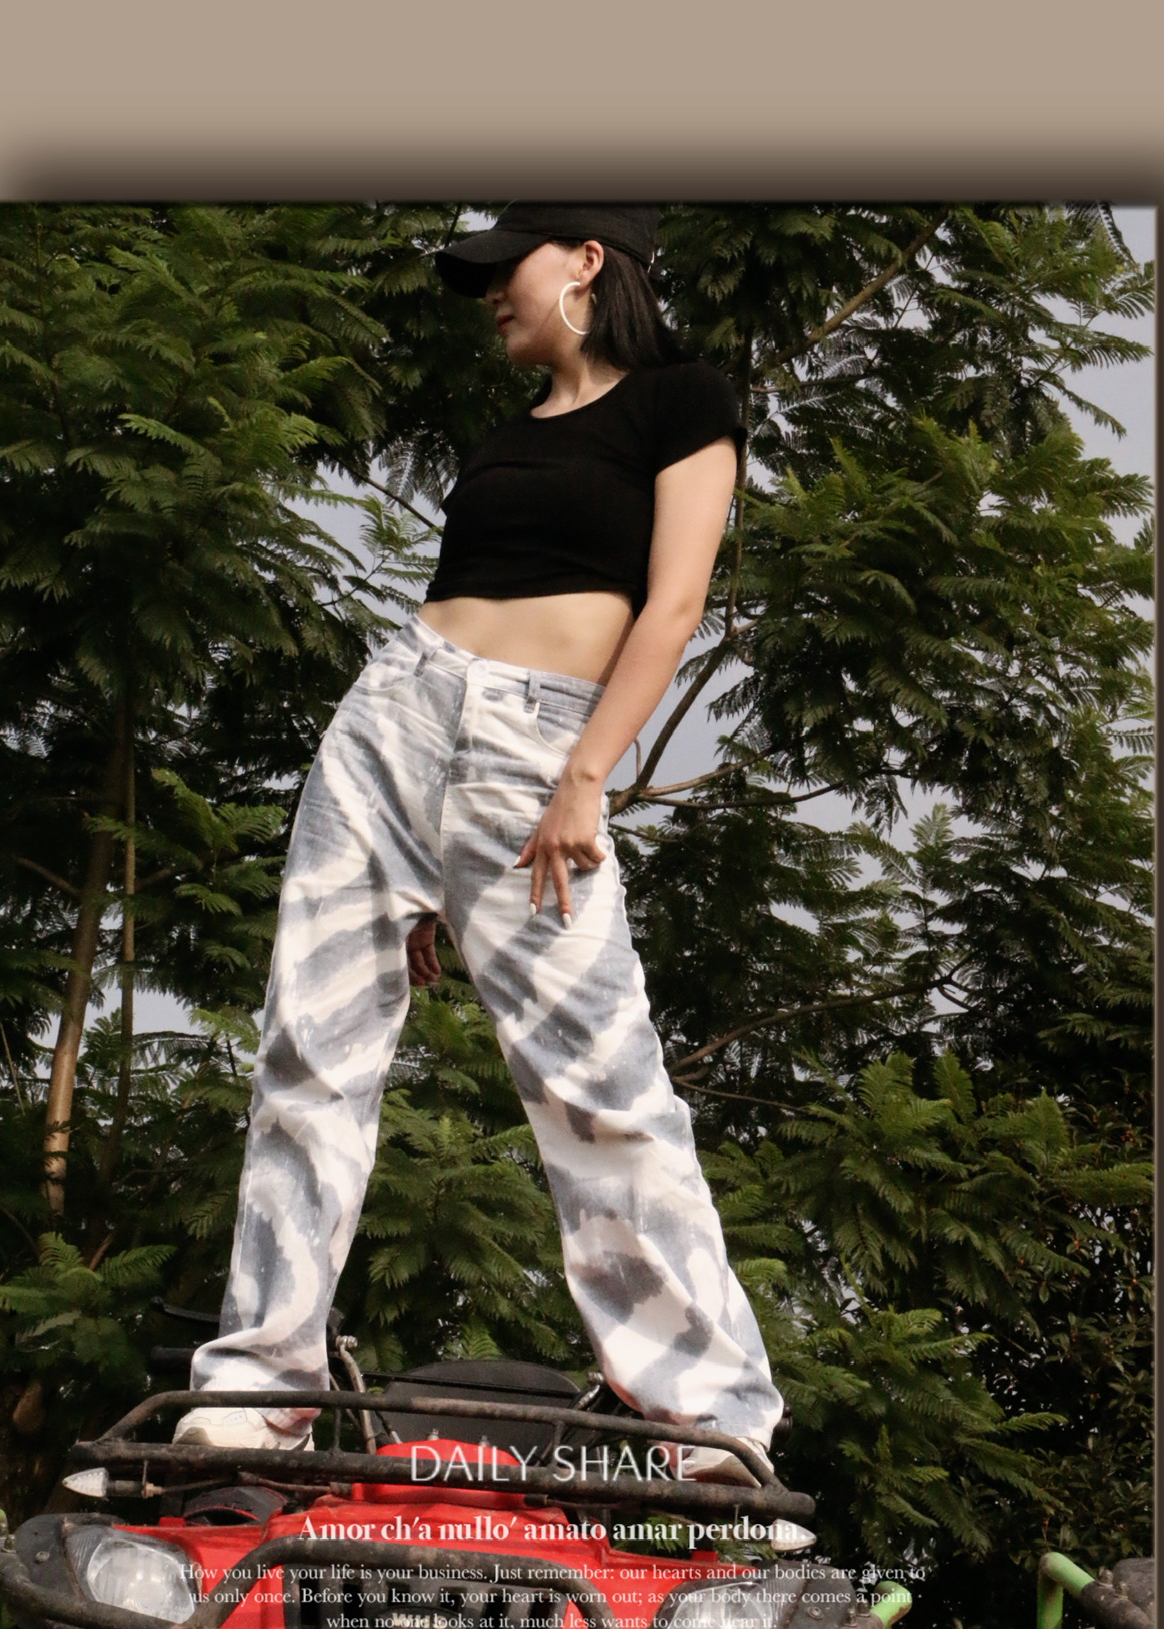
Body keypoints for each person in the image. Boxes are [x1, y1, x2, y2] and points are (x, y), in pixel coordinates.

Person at [175, 202, 787, 1487]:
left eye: (508, 267)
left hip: (543, 748)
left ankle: (711, 1422)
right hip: (392, 726)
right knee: (310, 1051)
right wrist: (430, 879)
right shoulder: (505, 439)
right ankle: (255, 1389)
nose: (493, 294)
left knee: (602, 1082)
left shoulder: (682, 401)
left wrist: (586, 776)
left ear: (588, 260)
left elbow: (674, 602)